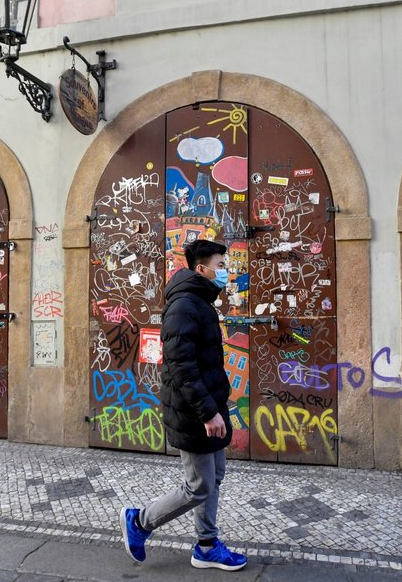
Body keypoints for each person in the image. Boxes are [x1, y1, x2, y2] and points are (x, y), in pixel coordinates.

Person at [120, 239, 248, 571]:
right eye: (221, 265)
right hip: (194, 412)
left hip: (211, 405)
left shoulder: (201, 302)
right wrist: (206, 412)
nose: (225, 272)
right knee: (198, 485)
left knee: (214, 477)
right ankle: (140, 522)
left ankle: (206, 546)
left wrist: (216, 407)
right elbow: (180, 366)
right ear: (201, 268)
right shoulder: (184, 306)